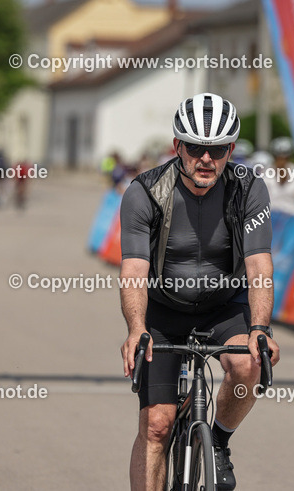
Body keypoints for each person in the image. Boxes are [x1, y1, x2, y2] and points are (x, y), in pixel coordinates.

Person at [119, 93, 279, 491]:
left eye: (218, 149)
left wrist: (260, 327)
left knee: (248, 366)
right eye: (195, 148)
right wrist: (136, 327)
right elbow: (135, 268)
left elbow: (259, 264)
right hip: (164, 310)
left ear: (231, 149)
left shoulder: (248, 189)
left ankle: (219, 441)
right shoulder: (145, 192)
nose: (206, 159)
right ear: (177, 147)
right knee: (157, 425)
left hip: (223, 306)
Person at [264, 136, 294, 216]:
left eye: (285, 157)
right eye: (278, 157)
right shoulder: (266, 174)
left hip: (291, 219)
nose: (281, 160)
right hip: (271, 218)